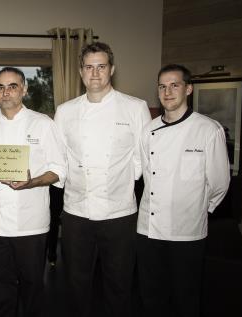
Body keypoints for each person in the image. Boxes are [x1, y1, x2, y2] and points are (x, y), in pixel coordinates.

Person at [54, 42, 152, 316]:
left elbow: (143, 157)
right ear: (80, 72)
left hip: (119, 213)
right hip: (76, 213)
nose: (95, 73)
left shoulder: (135, 107)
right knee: (75, 286)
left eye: (101, 66)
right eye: (89, 67)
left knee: (119, 286)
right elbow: (60, 158)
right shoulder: (65, 111)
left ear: (112, 69)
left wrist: (121, 182)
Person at [0, 67, 67, 317]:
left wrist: (32, 181)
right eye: (0, 87)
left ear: (24, 89)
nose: (6, 92)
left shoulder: (43, 124)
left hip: (30, 225)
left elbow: (59, 170)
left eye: (12, 86)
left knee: (32, 288)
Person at [136, 64, 230, 316]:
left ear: (188, 89)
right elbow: (146, 175)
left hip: (187, 233)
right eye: (162, 86)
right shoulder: (148, 130)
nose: (167, 92)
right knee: (151, 296)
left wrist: (199, 209)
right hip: (149, 230)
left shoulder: (209, 130)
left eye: (174, 85)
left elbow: (220, 183)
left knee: (185, 298)